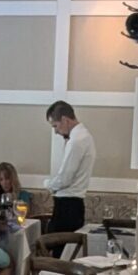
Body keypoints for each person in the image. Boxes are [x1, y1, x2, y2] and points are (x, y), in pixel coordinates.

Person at [44, 100, 96, 233]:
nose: (56, 132)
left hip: (67, 207)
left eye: (55, 126)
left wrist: (48, 184)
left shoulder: (76, 141)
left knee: (58, 245)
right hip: (73, 205)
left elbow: (65, 178)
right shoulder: (84, 136)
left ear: (64, 120)